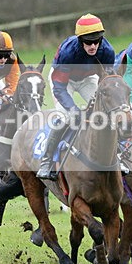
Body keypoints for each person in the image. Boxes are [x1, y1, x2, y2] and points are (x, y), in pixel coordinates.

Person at [37, 14, 116, 180]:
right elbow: (59, 87)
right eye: (88, 42)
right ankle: (47, 160)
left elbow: (107, 80)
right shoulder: (68, 52)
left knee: (108, 112)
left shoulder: (107, 51)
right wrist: (73, 109)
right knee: (66, 117)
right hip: (64, 82)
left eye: (97, 41)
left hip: (88, 79)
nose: (93, 45)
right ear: (80, 40)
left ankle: (119, 154)